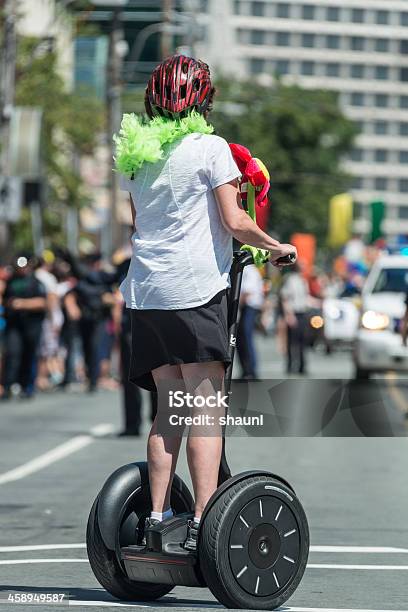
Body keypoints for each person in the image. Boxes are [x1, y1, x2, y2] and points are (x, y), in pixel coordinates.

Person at [116, 54, 297, 551]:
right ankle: (202, 523)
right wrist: (277, 246)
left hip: (147, 294)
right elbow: (235, 221)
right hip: (195, 291)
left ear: (153, 101)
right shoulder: (211, 148)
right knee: (205, 410)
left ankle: (154, 518)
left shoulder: (136, 158)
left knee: (168, 411)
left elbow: (140, 225)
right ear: (205, 99)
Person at [1, 254, 47, 399]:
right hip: (15, 324)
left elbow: (42, 302)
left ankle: (28, 386)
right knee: (13, 353)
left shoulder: (35, 282)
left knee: (30, 354)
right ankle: (8, 386)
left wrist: (22, 304)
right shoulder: (11, 282)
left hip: (32, 325)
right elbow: (5, 300)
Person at [280, 262, 310, 375]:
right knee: (292, 342)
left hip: (302, 312)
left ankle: (302, 366)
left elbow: (305, 298)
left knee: (302, 341)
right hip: (294, 313)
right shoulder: (290, 280)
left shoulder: (302, 280)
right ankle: (290, 365)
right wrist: (289, 315)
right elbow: (285, 298)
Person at [236, 264, 264, 379]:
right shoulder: (247, 269)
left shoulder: (250, 270)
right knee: (240, 339)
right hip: (246, 307)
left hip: (249, 307)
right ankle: (245, 369)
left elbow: (247, 292)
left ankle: (250, 370)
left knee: (246, 338)